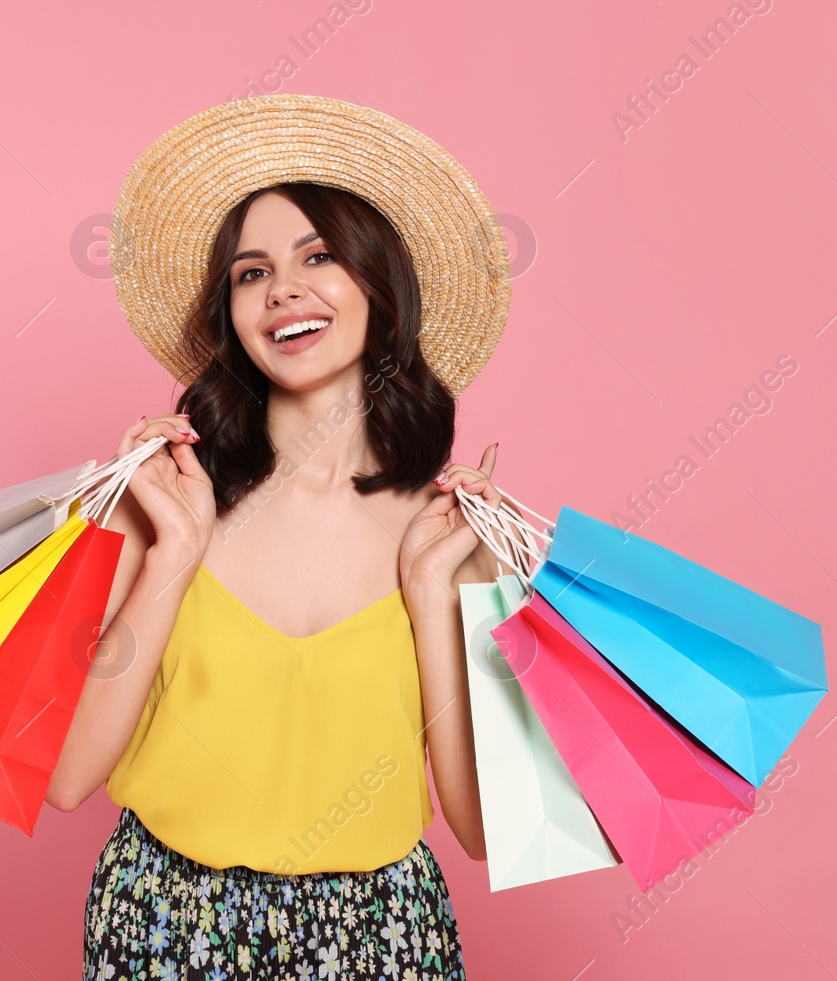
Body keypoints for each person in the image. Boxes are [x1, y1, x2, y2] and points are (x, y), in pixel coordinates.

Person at [46, 95, 515, 980]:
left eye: (319, 256)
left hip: (382, 939)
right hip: (163, 926)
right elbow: (66, 778)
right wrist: (170, 562)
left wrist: (429, 595)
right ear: (232, 313)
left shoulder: (450, 535)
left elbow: (481, 827)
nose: (283, 289)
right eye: (251, 272)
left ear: (380, 282)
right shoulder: (158, 503)